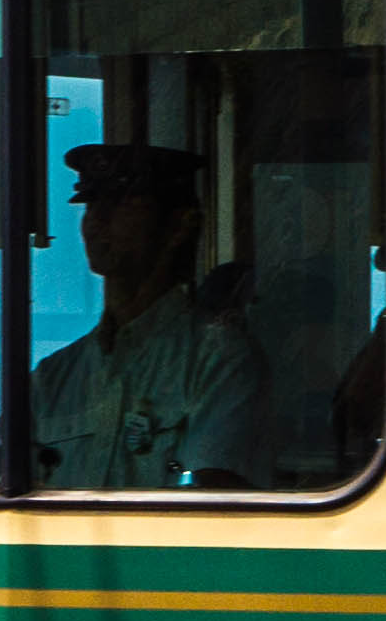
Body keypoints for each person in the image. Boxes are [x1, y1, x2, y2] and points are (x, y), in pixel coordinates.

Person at [32, 141, 264, 487]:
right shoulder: (52, 379)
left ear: (179, 226)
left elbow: (212, 510)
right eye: (92, 203)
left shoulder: (220, 362)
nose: (98, 220)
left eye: (121, 203)